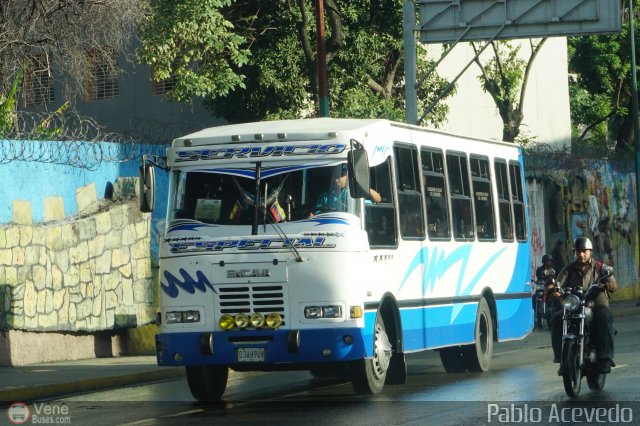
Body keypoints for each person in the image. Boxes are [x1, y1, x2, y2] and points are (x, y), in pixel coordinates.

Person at [549, 237, 617, 373]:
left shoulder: (600, 267)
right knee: (556, 319)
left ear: (590, 251)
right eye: (578, 251)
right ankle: (561, 357)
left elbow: (612, 281)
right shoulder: (569, 269)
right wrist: (552, 288)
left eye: (584, 251)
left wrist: (610, 283)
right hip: (575, 305)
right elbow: (557, 283)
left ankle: (605, 358)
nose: (581, 254)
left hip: (597, 305)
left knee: (604, 317)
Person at [313, 165, 380, 214]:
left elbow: (378, 199)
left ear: (347, 177)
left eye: (340, 176)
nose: (336, 180)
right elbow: (317, 212)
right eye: (335, 177)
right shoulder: (325, 196)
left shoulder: (354, 193)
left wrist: (362, 186)